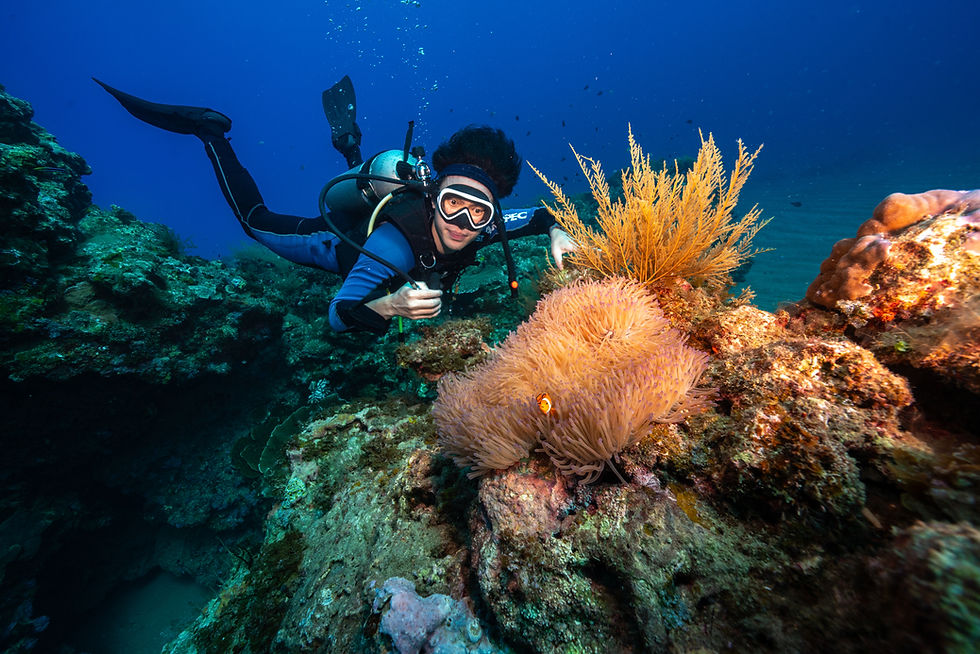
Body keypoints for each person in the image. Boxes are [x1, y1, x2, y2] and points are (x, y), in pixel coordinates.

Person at [94, 77, 576, 335]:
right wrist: (389, 305)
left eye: (479, 213)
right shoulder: (392, 245)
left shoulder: (482, 226)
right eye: (452, 203)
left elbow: (536, 216)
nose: (462, 224)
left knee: (370, 180)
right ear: (433, 199)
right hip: (335, 242)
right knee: (254, 223)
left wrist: (557, 230)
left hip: (380, 213)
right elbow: (338, 314)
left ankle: (353, 153)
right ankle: (210, 132)